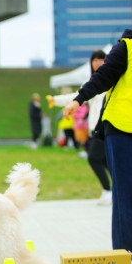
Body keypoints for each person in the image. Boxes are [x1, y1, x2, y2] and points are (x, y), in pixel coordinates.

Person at [64, 0, 132, 264]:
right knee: (128, 189)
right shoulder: (125, 47)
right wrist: (79, 99)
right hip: (121, 128)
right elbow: (103, 77)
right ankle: (131, 249)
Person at [48, 50, 112, 205]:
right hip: (95, 128)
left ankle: (108, 190)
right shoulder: (90, 81)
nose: (97, 63)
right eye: (94, 60)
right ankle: (117, 190)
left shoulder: (111, 79)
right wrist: (56, 100)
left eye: (101, 59)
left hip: (107, 126)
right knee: (106, 162)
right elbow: (77, 97)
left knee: (94, 158)